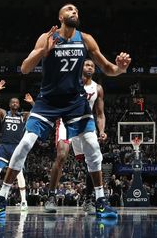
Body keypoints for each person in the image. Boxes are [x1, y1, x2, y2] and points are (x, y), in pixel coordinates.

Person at [0, 4, 131, 219]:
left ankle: (100, 200)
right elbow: (25, 68)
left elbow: (107, 68)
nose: (74, 11)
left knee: (93, 147)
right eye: (69, 9)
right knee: (25, 143)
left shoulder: (85, 38)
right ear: (60, 16)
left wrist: (121, 68)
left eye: (76, 10)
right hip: (47, 101)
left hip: (75, 101)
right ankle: (0, 198)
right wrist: (43, 50)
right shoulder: (46, 37)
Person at [45, 59, 106, 215]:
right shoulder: (70, 82)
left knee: (90, 163)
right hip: (66, 122)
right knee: (62, 155)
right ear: (81, 67)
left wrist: (101, 131)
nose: (90, 67)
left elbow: (100, 114)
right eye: (87, 65)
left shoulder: (97, 88)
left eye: (92, 66)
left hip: (85, 123)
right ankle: (51, 197)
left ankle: (89, 199)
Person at [0, 80, 32, 218]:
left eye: (17, 102)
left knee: (19, 175)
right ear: (9, 105)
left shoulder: (23, 116)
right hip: (3, 147)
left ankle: (24, 202)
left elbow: (38, 113)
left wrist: (32, 103)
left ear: (19, 105)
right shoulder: (4, 113)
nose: (15, 103)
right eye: (12, 102)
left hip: (16, 148)